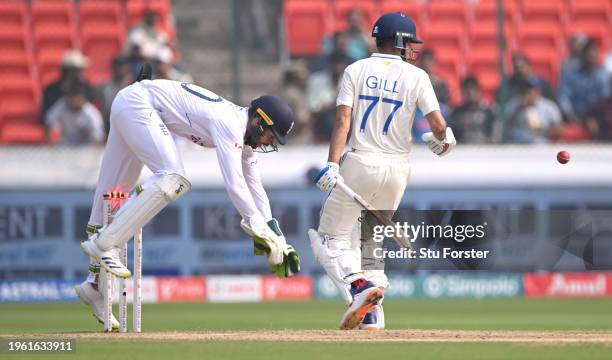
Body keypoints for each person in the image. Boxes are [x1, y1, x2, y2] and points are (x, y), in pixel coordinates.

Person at [74, 74, 300, 331]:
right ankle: (105, 243)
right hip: (139, 104)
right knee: (173, 177)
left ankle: (94, 286)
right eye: (271, 136)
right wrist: (257, 225)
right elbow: (235, 184)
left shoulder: (244, 136)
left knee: (111, 197)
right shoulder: (229, 124)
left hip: (130, 104)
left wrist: (275, 233)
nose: (269, 142)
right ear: (259, 122)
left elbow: (254, 185)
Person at [310, 12, 456, 330]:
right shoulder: (417, 76)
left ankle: (358, 288)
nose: (412, 50)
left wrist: (332, 163)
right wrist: (443, 140)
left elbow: (342, 121)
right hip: (397, 170)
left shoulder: (356, 69)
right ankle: (373, 318)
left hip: (361, 163)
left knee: (327, 239)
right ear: (402, 42)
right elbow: (439, 128)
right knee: (370, 243)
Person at [41, 49, 95, 131]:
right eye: (78, 70)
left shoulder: (86, 88)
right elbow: (47, 117)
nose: (81, 73)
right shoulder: (51, 89)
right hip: (61, 131)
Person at [558, 38, 610, 121]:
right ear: (582, 56)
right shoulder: (570, 74)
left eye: (593, 56)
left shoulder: (602, 76)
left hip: (596, 118)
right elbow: (564, 98)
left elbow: (604, 99)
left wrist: (595, 118)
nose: (590, 59)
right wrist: (570, 114)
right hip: (574, 115)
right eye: (588, 55)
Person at [45, 80, 105, 145]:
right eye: (71, 96)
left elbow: (98, 139)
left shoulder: (91, 113)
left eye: (76, 97)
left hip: (86, 150)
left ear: (82, 97)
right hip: (64, 149)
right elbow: (49, 121)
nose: (73, 100)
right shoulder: (62, 105)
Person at [505, 79, 563, 144]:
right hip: (516, 141)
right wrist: (519, 108)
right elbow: (504, 125)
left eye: (530, 92)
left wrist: (543, 130)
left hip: (541, 141)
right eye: (525, 91)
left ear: (538, 92)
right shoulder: (514, 104)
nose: (527, 95)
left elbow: (559, 129)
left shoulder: (548, 106)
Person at [450, 76, 499, 144]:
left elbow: (495, 135)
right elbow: (452, 136)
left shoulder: (488, 111)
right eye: (466, 89)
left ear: (478, 90)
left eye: (472, 88)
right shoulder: (457, 112)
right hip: (461, 150)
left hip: (484, 150)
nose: (469, 92)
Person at [96, 55, 133, 136]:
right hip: (108, 126)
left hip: (128, 126)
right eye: (118, 65)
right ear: (113, 67)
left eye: (122, 66)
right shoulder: (104, 87)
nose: (120, 69)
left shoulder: (133, 87)